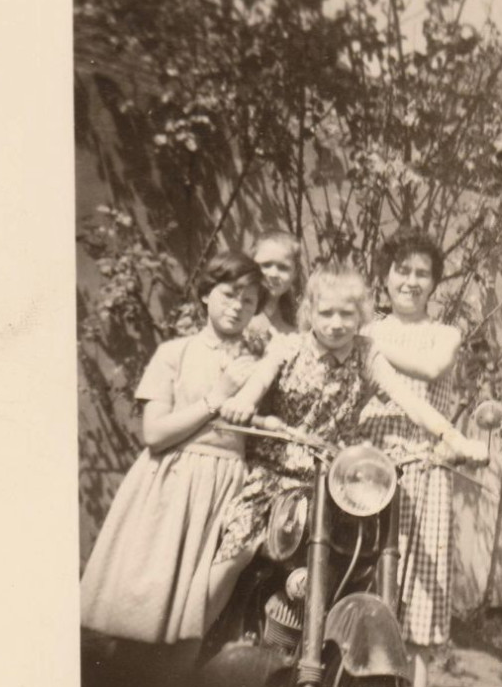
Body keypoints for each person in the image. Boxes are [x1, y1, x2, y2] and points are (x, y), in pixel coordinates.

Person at [202, 262, 487, 636]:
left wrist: (453, 437)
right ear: (310, 313)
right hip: (277, 475)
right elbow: (256, 385)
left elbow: (410, 401)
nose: (336, 323)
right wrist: (244, 401)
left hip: (332, 485)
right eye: (326, 313)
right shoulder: (288, 348)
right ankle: (190, 645)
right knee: (234, 554)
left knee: (355, 565)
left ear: (361, 317)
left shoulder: (366, 354)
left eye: (346, 314)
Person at [80, 252, 266, 644]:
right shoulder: (174, 353)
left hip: (227, 484)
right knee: (147, 597)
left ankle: (177, 681)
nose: (237, 307)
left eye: (248, 300)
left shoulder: (256, 365)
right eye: (229, 294)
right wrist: (215, 398)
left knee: (201, 601)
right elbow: (155, 433)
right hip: (173, 481)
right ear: (205, 295)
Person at [358, 228, 469, 687]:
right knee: (362, 602)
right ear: (384, 275)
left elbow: (426, 373)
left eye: (422, 272)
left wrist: (368, 344)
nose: (410, 280)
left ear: (434, 282)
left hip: (424, 478)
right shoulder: (359, 326)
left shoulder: (444, 334)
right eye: (400, 269)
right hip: (366, 478)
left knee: (418, 622)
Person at [245, 230, 302, 349]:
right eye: (265, 265)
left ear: (295, 273)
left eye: (283, 268)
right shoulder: (238, 316)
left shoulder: (297, 324)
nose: (273, 274)